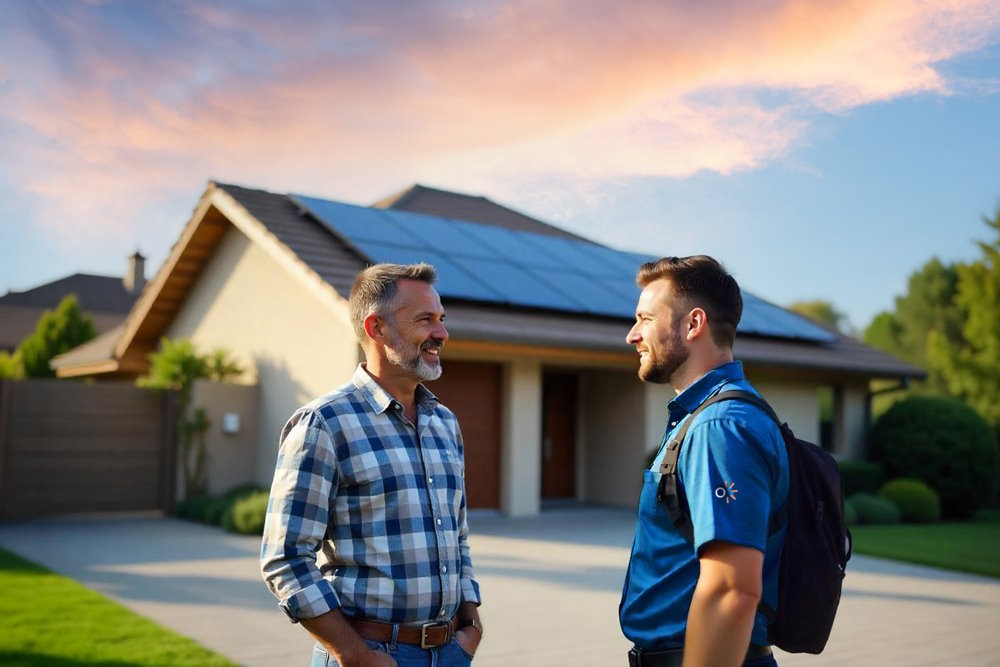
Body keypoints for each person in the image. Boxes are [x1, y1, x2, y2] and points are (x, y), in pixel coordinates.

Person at [261, 262, 483, 667]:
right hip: (373, 655)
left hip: (451, 651)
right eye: (425, 320)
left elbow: (458, 533)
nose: (442, 333)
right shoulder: (324, 424)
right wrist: (354, 654)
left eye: (442, 320)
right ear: (376, 328)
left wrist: (471, 624)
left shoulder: (444, 423)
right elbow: (285, 558)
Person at [618, 256, 788, 667]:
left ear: (694, 324)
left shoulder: (720, 427)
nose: (632, 335)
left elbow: (732, 590)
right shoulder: (711, 418)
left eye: (645, 318)